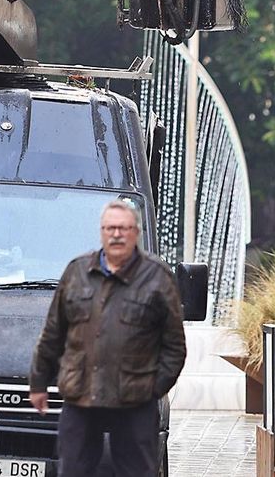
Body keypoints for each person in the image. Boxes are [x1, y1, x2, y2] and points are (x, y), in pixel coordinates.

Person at [30, 198, 187, 475]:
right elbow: (53, 333)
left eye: (124, 228)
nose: (116, 234)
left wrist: (152, 389)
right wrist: (39, 382)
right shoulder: (77, 272)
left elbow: (174, 346)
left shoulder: (157, 277)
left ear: (136, 233)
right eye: (110, 228)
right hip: (81, 396)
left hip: (134, 402)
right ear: (101, 231)